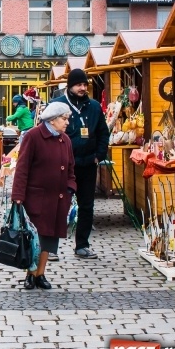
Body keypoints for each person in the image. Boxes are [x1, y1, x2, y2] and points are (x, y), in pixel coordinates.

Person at [10, 102, 77, 290]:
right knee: (35, 238)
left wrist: (71, 187)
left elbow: (71, 167)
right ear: (53, 119)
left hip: (58, 198)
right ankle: (30, 274)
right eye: (64, 119)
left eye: (67, 119)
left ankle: (41, 273)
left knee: (49, 238)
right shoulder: (33, 136)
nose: (67, 123)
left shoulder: (65, 139)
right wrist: (18, 196)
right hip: (36, 197)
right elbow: (22, 168)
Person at [50, 68, 110, 260]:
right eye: (79, 85)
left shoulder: (93, 107)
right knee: (59, 205)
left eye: (85, 84)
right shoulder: (57, 105)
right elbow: (48, 132)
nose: (83, 88)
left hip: (87, 164)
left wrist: (98, 155)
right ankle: (50, 247)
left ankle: (82, 245)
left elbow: (103, 132)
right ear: (70, 86)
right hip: (63, 166)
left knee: (87, 206)